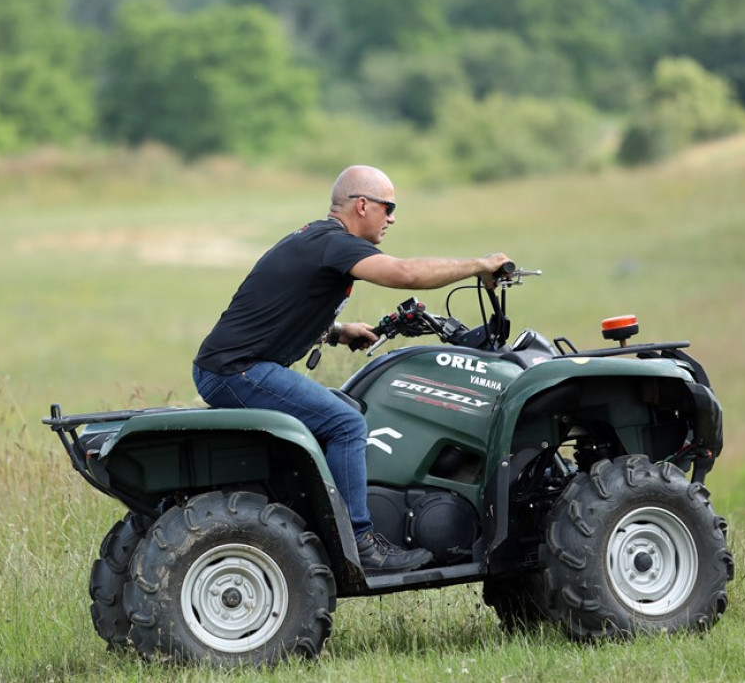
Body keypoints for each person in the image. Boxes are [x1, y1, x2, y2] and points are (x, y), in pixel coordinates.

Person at [192, 165, 512, 574]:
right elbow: (405, 274)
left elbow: (282, 303)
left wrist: (338, 331)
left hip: (232, 367)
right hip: (236, 371)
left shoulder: (314, 238)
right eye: (388, 207)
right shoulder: (336, 245)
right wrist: (479, 265)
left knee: (348, 407)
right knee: (345, 423)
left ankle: (332, 520)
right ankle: (361, 543)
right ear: (363, 205)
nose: (392, 217)